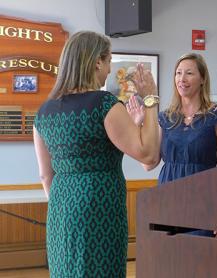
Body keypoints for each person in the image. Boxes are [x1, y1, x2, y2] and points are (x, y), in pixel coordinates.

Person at [33, 31, 159, 277]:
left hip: (60, 208)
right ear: (97, 62)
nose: (110, 69)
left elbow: (45, 175)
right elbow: (149, 155)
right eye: (109, 61)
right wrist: (150, 99)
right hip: (98, 205)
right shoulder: (103, 104)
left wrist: (67, 205)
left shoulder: (44, 112)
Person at [141, 53, 217, 238]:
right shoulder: (165, 117)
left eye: (189, 73)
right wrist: (138, 126)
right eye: (178, 73)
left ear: (202, 79)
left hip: (204, 200)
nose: (182, 79)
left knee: (203, 260)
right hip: (168, 199)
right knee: (171, 261)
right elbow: (148, 164)